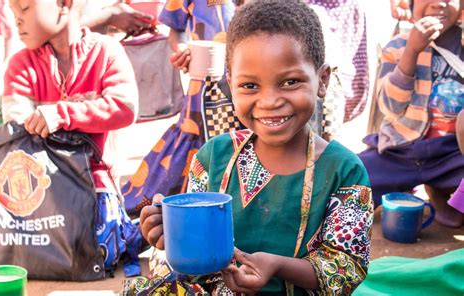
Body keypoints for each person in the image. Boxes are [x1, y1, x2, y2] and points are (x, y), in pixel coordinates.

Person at [139, 1, 374, 294]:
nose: (269, 101)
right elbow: (193, 264)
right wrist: (171, 235)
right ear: (230, 84)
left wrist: (278, 265)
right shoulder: (212, 158)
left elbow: (346, 268)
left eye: (290, 82)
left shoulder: (344, 170)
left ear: (322, 80)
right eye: (250, 86)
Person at [3, 0, 142, 275]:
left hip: (95, 187)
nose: (16, 20)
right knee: (15, 250)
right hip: (42, 192)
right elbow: (18, 129)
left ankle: (134, 231)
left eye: (25, 8)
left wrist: (61, 114)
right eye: (13, 11)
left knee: (97, 250)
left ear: (64, 4)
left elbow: (124, 108)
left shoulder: (106, 52)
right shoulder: (20, 65)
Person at [121, 0, 236, 215]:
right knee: (191, 160)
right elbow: (176, 29)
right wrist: (182, 49)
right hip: (202, 94)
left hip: (253, 94)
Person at [358, 0, 463, 227]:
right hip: (401, 151)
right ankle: (421, 185)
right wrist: (412, 50)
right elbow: (390, 107)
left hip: (451, 155)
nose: (440, 3)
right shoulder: (397, 46)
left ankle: (440, 191)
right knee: (351, 180)